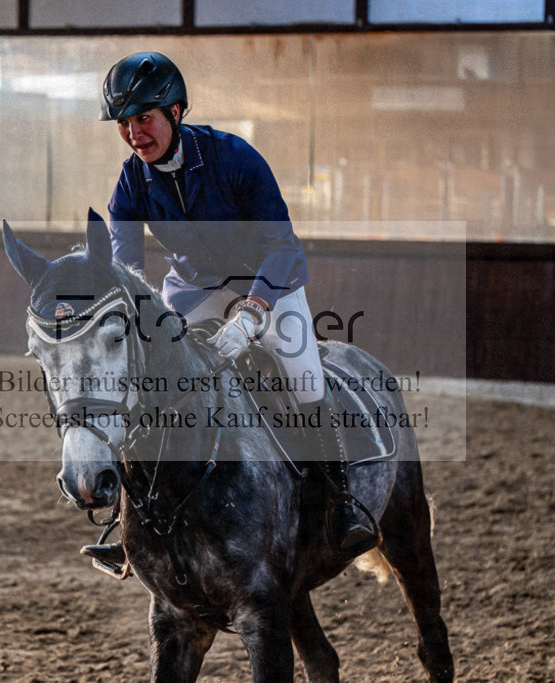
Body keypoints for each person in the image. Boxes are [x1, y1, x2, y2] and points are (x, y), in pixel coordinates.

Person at [83, 51, 377, 565]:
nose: (133, 134)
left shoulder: (234, 157)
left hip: (270, 282)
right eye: (124, 124)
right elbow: (125, 271)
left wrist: (253, 312)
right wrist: (134, 322)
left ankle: (341, 501)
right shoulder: (130, 183)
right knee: (148, 383)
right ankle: (128, 525)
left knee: (304, 377)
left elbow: (282, 244)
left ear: (176, 111)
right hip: (193, 291)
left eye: (143, 119)